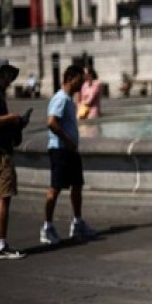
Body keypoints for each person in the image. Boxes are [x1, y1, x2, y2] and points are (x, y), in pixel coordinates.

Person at [41, 64, 98, 245]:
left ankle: (77, 222)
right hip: (60, 149)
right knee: (55, 187)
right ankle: (47, 226)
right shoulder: (61, 99)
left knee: (77, 185)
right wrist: (67, 140)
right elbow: (51, 122)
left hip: (69, 150)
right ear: (71, 79)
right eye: (79, 81)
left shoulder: (68, 99)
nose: (81, 85)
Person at [0, 59, 30, 259]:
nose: (9, 80)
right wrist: (12, 118)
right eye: (5, 75)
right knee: (2, 200)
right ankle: (1, 246)